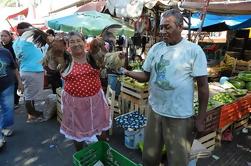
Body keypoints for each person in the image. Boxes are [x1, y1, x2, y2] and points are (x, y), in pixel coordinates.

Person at [122, 9, 209, 166]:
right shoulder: (156, 48)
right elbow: (146, 76)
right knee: (149, 158)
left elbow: (203, 87)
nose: (162, 31)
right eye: (161, 27)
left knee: (177, 161)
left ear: (180, 27)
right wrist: (126, 72)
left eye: (167, 27)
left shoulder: (194, 51)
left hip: (180, 117)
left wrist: (201, 118)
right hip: (155, 112)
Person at [59, 32, 111, 151]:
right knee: (78, 133)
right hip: (75, 103)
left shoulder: (92, 57)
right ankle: (81, 155)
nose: (76, 44)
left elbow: (105, 60)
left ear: (84, 42)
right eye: (72, 41)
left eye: (79, 40)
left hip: (96, 100)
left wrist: (101, 46)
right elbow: (52, 66)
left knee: (100, 127)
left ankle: (101, 152)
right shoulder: (65, 60)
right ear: (68, 45)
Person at [13, 22, 45, 123]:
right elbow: (35, 31)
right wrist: (29, 29)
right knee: (29, 95)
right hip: (33, 70)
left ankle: (33, 112)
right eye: (28, 28)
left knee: (29, 94)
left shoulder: (16, 42)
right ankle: (32, 116)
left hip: (27, 70)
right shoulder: (24, 40)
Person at [0, 47, 23, 148]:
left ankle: (4, 127)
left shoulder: (5, 52)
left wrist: (20, 82)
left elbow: (14, 68)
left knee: (8, 109)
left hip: (7, 86)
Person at [1, 30, 20, 108]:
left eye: (5, 36)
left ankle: (15, 102)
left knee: (14, 84)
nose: (3, 38)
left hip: (13, 68)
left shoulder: (13, 46)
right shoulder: (1, 47)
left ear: (10, 37)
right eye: (1, 36)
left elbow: (17, 59)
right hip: (3, 69)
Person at [42, 30, 62, 94]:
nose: (46, 39)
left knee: (58, 89)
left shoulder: (55, 45)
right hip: (52, 72)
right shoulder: (49, 46)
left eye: (48, 36)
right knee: (55, 89)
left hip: (56, 72)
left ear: (52, 36)